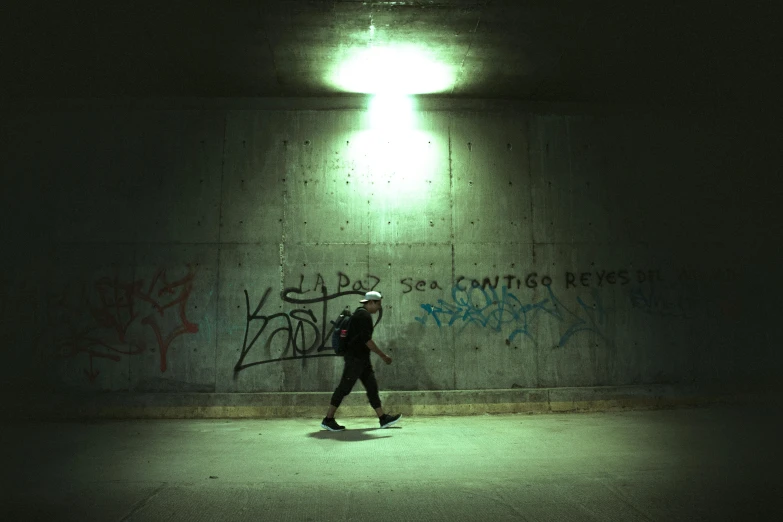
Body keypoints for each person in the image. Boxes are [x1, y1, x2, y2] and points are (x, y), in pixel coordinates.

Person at [321, 290, 401, 431]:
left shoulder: (360, 313)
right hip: (355, 360)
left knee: (372, 387)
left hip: (362, 359)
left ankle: (383, 418)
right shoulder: (364, 316)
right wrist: (383, 356)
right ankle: (328, 419)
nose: (379, 307)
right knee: (344, 388)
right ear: (370, 302)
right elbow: (367, 340)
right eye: (378, 304)